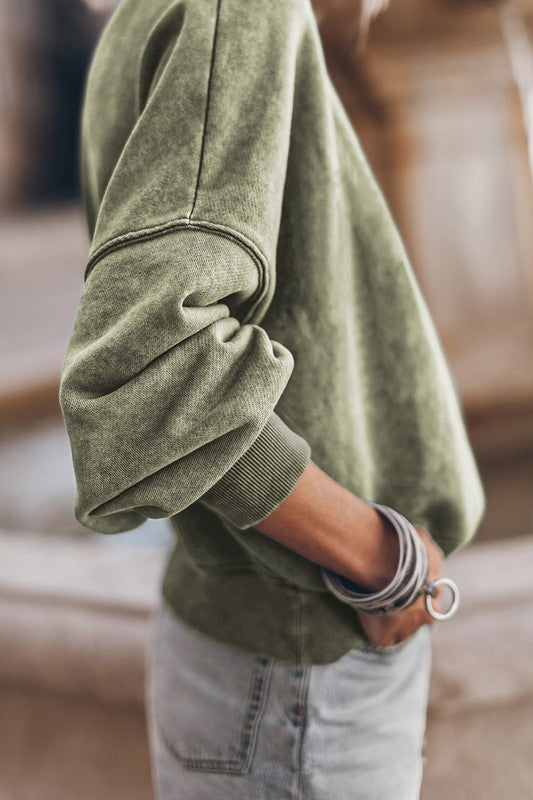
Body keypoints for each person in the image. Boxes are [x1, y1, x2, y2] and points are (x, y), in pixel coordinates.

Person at [59, 0, 486, 797]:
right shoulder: (239, 10)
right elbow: (155, 363)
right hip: (305, 656)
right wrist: (380, 559)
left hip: (264, 654)